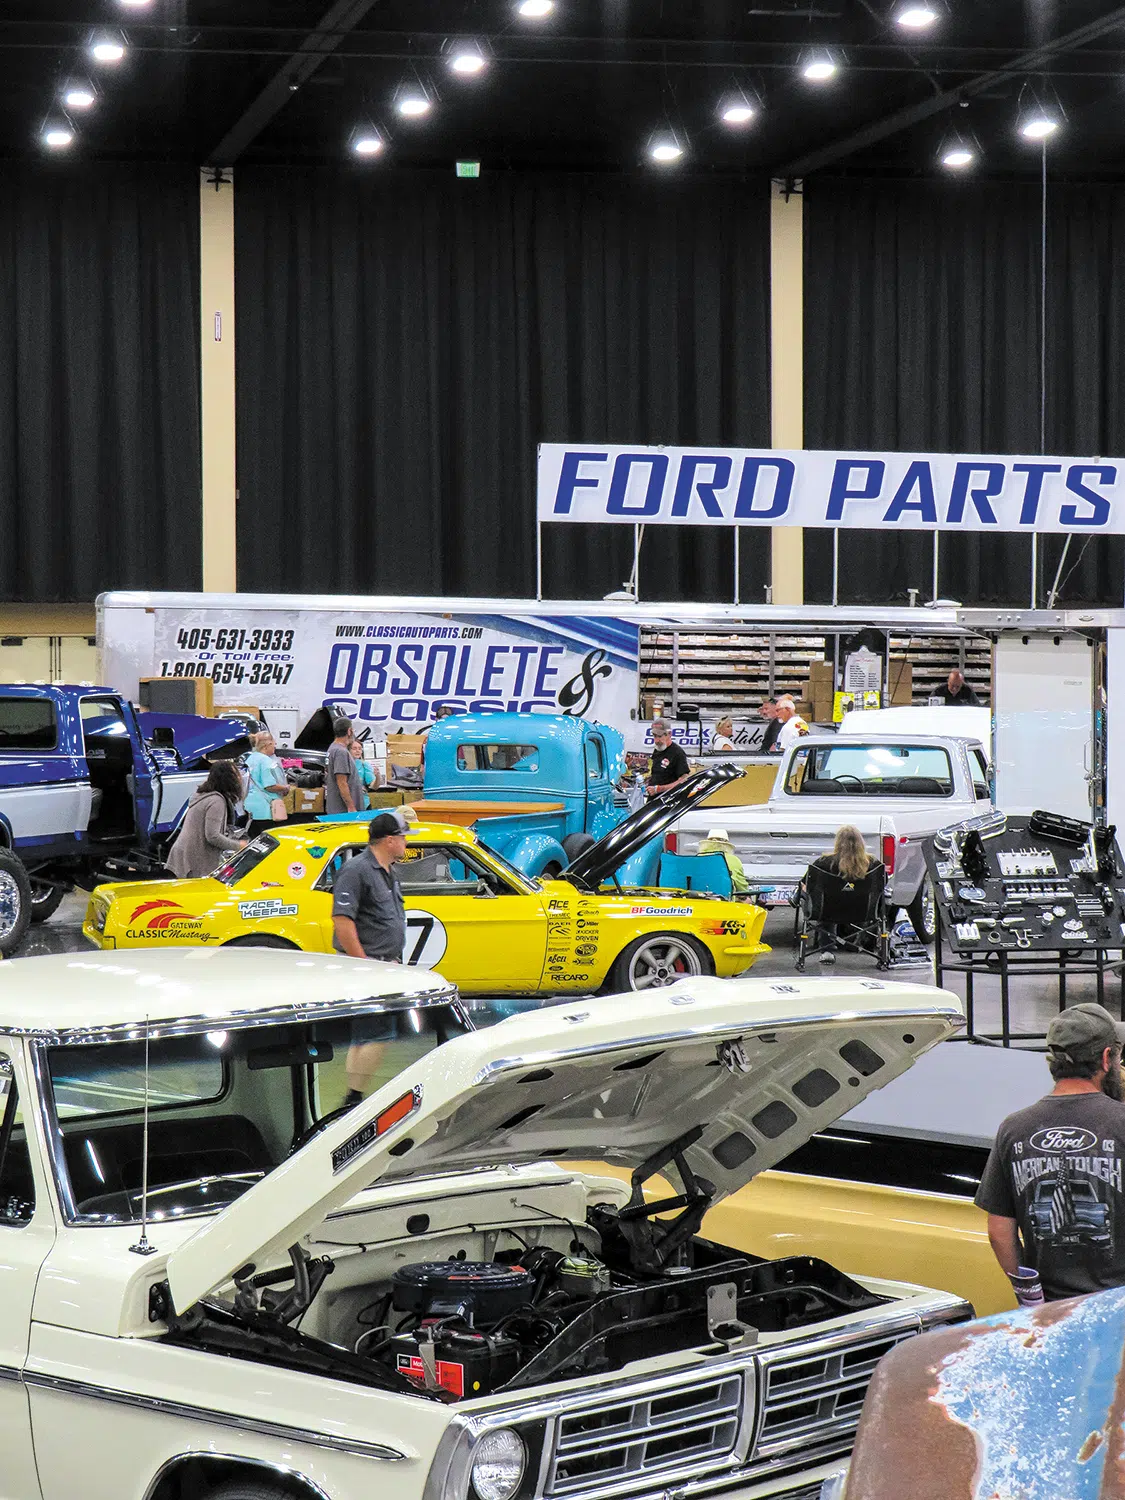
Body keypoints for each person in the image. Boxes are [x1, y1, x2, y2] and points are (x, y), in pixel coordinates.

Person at [976, 1003, 1125, 1304]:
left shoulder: (1013, 1128)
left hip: (1050, 1311)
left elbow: (999, 1233)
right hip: (1118, 1310)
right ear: (1106, 1058)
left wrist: (1032, 1298)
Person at [331, 810, 410, 1104]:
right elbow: (342, 920)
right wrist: (364, 965)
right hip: (368, 967)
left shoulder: (387, 871)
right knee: (380, 1034)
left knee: (364, 1035)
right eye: (403, 838)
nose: (406, 843)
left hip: (382, 965)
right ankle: (354, 1096)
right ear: (389, 840)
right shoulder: (357, 871)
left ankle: (353, 1095)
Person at [165, 760, 247, 879]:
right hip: (193, 859)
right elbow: (213, 836)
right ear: (229, 778)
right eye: (236, 775)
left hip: (185, 854)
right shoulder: (216, 801)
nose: (239, 779)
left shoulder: (204, 795)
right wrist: (239, 845)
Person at [244, 731, 289, 835]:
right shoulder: (265, 761)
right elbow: (269, 786)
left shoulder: (250, 759)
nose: (274, 747)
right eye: (274, 744)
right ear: (267, 745)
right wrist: (285, 788)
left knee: (252, 838)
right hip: (264, 809)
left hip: (249, 807)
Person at [325, 716, 363, 815]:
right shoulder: (340, 752)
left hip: (338, 809)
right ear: (349, 731)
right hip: (343, 811)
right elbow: (341, 782)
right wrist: (351, 807)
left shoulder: (332, 748)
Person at [646, 719, 691, 798]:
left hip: (668, 799)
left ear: (669, 734)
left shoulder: (677, 753)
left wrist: (660, 789)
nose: (657, 740)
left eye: (660, 736)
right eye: (655, 736)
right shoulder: (658, 749)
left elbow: (683, 780)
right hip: (654, 798)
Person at [697, 828, 750, 894]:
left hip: (699, 898)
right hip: (725, 899)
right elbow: (742, 888)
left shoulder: (698, 858)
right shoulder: (734, 860)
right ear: (726, 844)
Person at [350, 737, 383, 805]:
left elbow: (374, 786)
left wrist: (377, 776)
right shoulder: (342, 765)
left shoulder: (364, 765)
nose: (358, 751)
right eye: (354, 748)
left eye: (360, 748)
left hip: (363, 803)